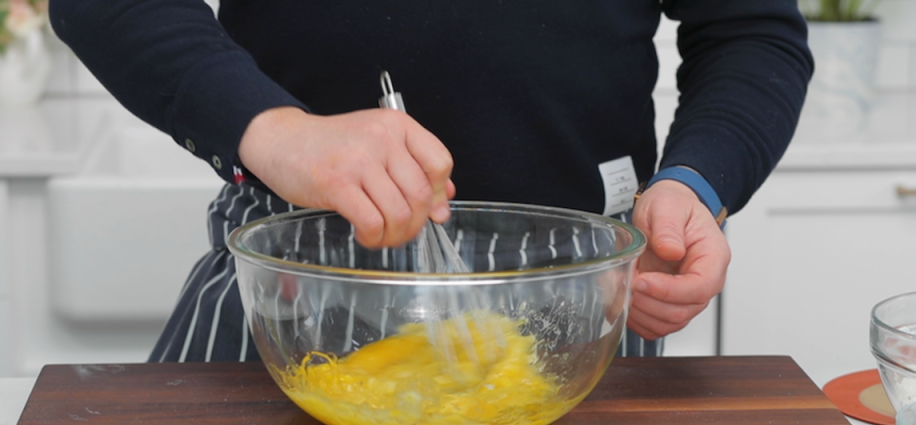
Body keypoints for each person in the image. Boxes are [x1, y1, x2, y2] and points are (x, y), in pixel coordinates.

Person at [49, 1, 813, 362]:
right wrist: (276, 132)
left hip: (590, 299)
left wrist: (694, 184)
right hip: (287, 290)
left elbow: (752, 31)